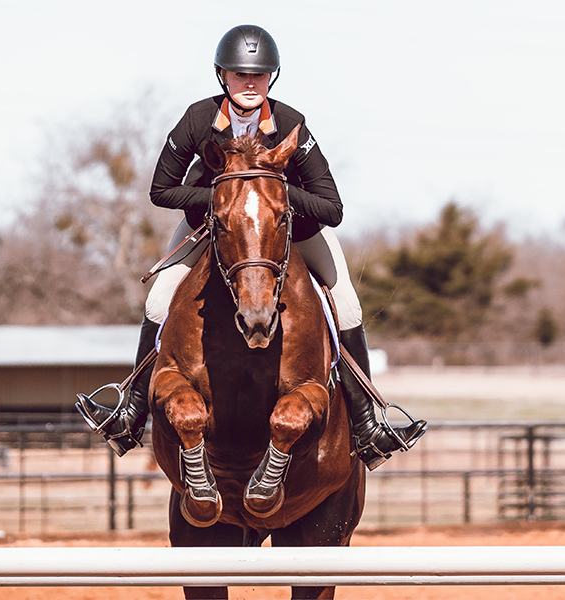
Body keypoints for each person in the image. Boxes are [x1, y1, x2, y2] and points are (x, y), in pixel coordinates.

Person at [76, 24, 426, 470]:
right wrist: (228, 200)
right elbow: (161, 191)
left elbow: (331, 207)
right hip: (213, 228)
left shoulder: (290, 123)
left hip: (291, 231)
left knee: (349, 307)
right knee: (158, 300)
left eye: (259, 76)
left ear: (271, 79)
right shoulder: (198, 119)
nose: (249, 84)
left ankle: (368, 424)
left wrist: (271, 193)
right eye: (240, 75)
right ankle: (129, 413)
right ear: (222, 76)